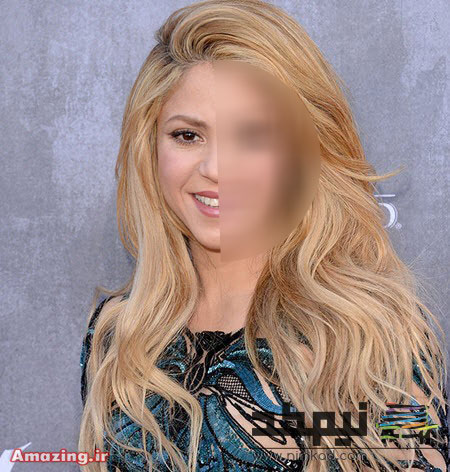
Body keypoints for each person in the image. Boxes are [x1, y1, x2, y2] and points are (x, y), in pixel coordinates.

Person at [79, 1, 449, 471]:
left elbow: (419, 453)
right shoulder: (119, 335)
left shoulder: (370, 337)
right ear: (149, 146)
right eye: (187, 135)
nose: (215, 168)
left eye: (252, 136)